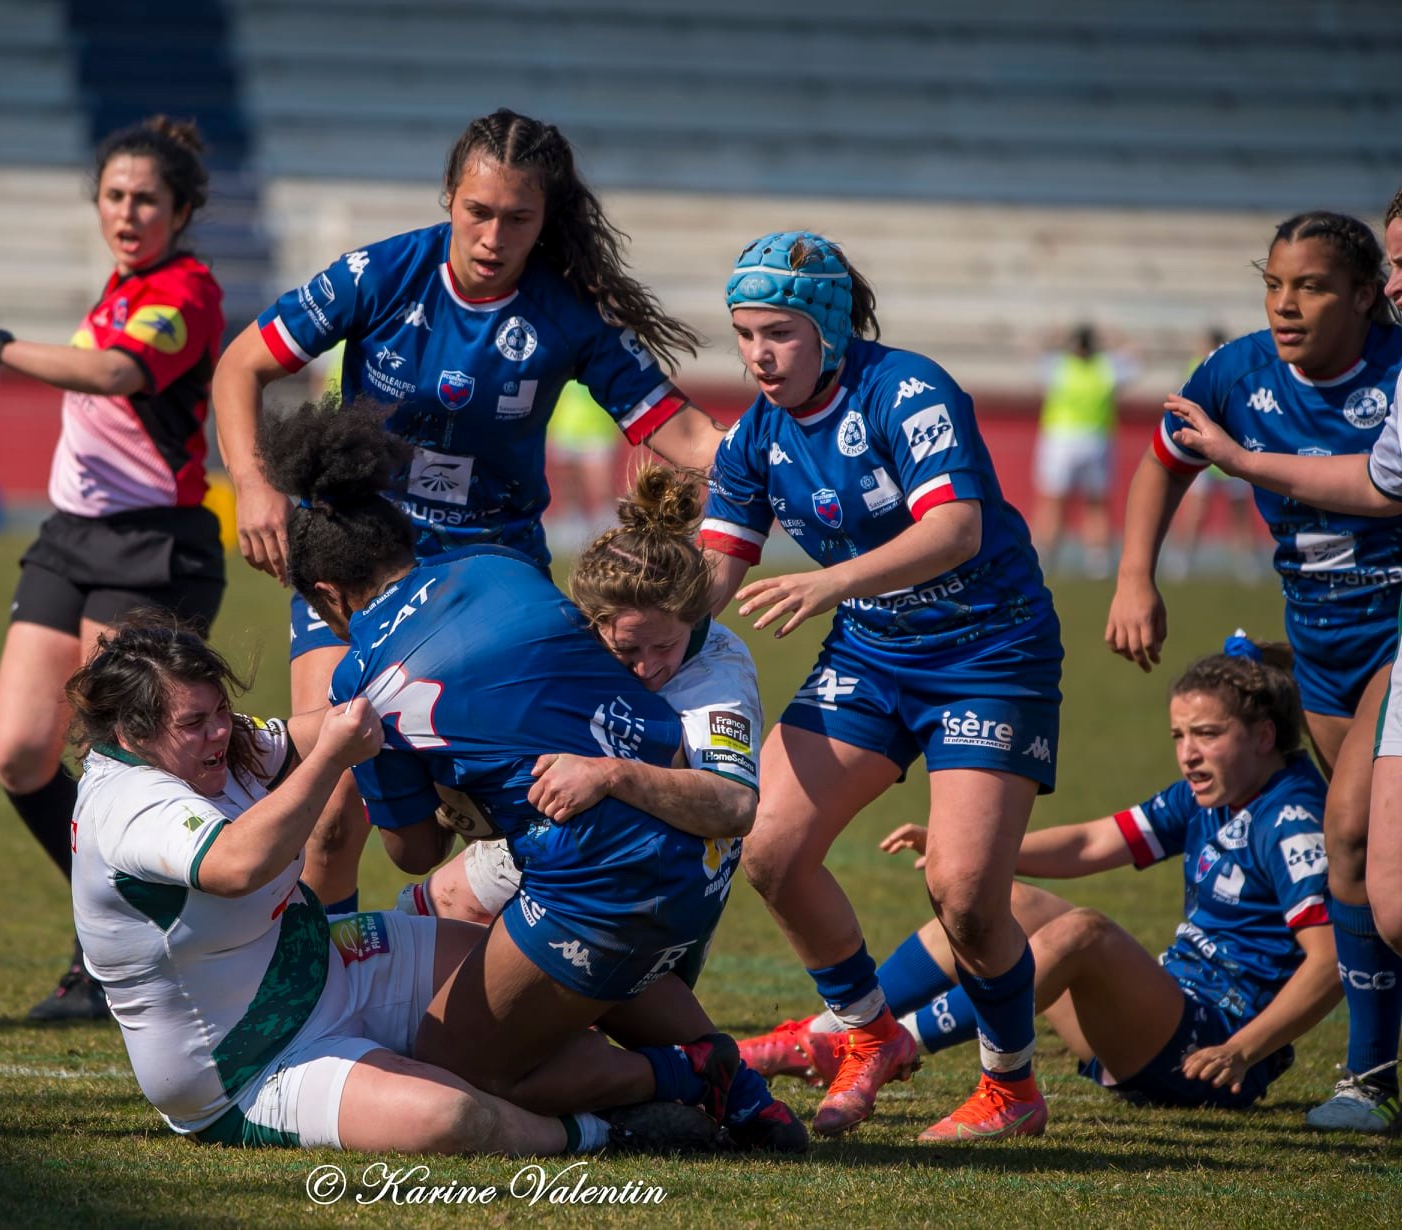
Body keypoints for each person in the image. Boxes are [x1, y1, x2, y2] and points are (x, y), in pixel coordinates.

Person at [212, 108, 726, 921]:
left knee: (506, 806)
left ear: (546, 218)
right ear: (450, 195)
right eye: (478, 211)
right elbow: (241, 364)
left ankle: (536, 963)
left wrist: (778, 455)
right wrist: (251, 480)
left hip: (490, 571)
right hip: (359, 555)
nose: (493, 237)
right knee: (333, 807)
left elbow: (687, 435)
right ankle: (322, 982)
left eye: (518, 218)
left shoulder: (567, 311)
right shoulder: (379, 274)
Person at [256, 399, 808, 1155]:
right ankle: (741, 1093)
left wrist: (452, 794)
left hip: (607, 878)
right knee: (480, 919)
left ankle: (687, 1076)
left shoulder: (363, 677)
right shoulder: (496, 566)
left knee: (447, 1069)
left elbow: (414, 850)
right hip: (681, 856)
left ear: (325, 594)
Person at [66, 613, 727, 1154]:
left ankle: (730, 1078)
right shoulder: (126, 804)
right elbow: (239, 863)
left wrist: (416, 693)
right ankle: (616, 1124)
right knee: (450, 1117)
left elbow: (307, 732)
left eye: (220, 710)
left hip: (328, 964)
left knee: (534, 979)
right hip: (247, 1064)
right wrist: (333, 757)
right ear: (130, 733)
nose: (218, 731)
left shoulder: (212, 747)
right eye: (194, 723)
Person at [703, 231, 1063, 1143]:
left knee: (965, 893)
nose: (757, 355)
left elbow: (956, 531)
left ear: (827, 327)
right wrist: (633, 626)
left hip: (991, 654)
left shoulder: (908, 390)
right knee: (769, 846)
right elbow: (714, 573)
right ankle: (868, 1034)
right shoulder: (754, 436)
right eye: (744, 334)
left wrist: (831, 582)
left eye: (778, 333)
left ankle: (1011, 1089)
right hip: (873, 655)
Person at [0, 117, 227, 1020]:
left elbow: (118, 375)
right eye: (114, 195)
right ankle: (116, 924)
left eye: (147, 199)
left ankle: (124, 950)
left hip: (151, 544)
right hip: (68, 538)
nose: (127, 212)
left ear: (182, 211)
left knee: (122, 760)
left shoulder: (187, 289)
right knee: (18, 752)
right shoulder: (121, 287)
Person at [769, 638, 1339, 1115]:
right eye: (1179, 736)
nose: (1188, 754)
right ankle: (829, 1033)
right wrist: (977, 854)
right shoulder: (1213, 793)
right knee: (1006, 902)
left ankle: (896, 1044)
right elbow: (1092, 843)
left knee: (1083, 932)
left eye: (1207, 735)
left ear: (1264, 737)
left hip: (1212, 1052)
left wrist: (1243, 1050)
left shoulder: (1291, 822)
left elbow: (1330, 961)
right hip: (1160, 1020)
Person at [1107, 208, 1402, 1131]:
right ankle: (1378, 1076)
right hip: (1317, 637)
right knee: (1367, 864)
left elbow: (1383, 489)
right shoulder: (1237, 371)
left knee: (1347, 830)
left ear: (1365, 294)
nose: (1285, 305)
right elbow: (1163, 462)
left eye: (1311, 286)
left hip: (1393, 630)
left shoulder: (1397, 369)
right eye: (1273, 285)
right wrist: (1135, 576)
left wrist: (1241, 460)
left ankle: (1365, 1078)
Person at [395, 466, 761, 998]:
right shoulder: (567, 636)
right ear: (590, 622)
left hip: (664, 874)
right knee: (417, 924)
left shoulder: (717, 671)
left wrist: (610, 774)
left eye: (665, 646)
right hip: (560, 838)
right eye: (627, 650)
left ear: (694, 615)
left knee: (612, 1009)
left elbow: (735, 806)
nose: (647, 668)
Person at [1030, 323, 1132, 577]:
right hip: (1095, 440)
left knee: (1053, 502)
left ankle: (1045, 556)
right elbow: (1135, 357)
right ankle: (1098, 560)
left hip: (1060, 440)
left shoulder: (1059, 365)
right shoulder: (1107, 366)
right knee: (1095, 503)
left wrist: (1056, 335)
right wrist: (1113, 337)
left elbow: (1033, 348)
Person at [1164, 329, 1260, 582]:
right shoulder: (1216, 369)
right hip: (1209, 449)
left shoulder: (1218, 370)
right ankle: (1182, 558)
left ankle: (1245, 560)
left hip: (1227, 447)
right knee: (1201, 510)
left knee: (1235, 511)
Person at [546, 381, 624, 551]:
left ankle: (608, 530)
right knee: (568, 486)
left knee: (600, 486)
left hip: (596, 430)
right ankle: (571, 530)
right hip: (564, 428)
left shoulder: (599, 368)